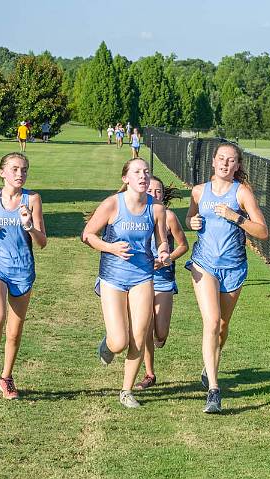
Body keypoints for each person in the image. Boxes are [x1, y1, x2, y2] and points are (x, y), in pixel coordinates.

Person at [185, 142, 268, 413]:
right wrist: (192, 222)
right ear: (213, 161)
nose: (225, 164)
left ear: (237, 165)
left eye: (231, 160)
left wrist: (237, 218)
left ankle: (208, 365)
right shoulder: (199, 192)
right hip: (204, 264)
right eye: (221, 159)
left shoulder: (241, 193)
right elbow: (190, 217)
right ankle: (214, 391)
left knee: (221, 326)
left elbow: (263, 231)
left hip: (233, 267)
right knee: (210, 322)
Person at [82, 158, 170, 408]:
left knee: (139, 337)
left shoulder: (156, 209)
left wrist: (163, 252)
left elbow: (162, 240)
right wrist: (110, 247)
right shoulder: (112, 204)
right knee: (119, 341)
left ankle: (126, 391)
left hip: (143, 276)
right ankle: (109, 344)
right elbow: (87, 235)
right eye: (137, 172)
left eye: (146, 172)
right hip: (113, 277)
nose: (143, 176)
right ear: (126, 178)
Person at [0, 152, 48, 400]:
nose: (19, 174)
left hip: (22, 269)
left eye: (23, 170)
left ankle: (7, 377)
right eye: (14, 169)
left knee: (14, 330)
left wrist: (28, 226)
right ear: (2, 172)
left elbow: (42, 242)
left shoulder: (32, 199)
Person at [134, 177, 189, 390]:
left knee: (160, 332)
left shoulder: (169, 217)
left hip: (164, 278)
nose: (153, 194)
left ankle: (160, 337)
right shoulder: (135, 214)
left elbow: (183, 246)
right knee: (145, 326)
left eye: (158, 191)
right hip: (141, 278)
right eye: (150, 190)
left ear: (162, 195)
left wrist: (168, 258)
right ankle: (149, 374)